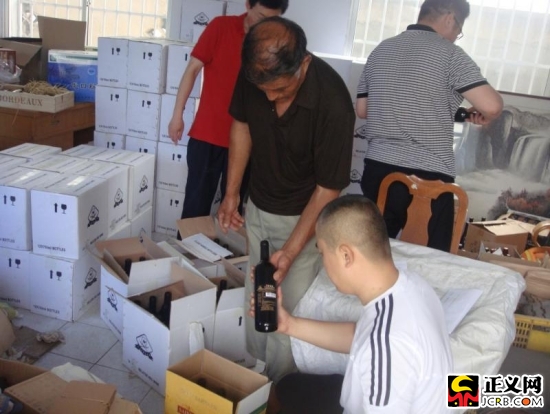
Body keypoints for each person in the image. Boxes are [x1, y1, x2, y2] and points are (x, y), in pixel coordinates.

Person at [217, 16, 355, 383]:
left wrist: (291, 252)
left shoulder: (333, 103)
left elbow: (327, 190)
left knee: (288, 303)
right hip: (259, 204)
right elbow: (242, 125)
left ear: (304, 63)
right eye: (263, 89)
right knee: (257, 292)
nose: (269, 97)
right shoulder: (256, 73)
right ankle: (256, 372)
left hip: (303, 219)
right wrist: (232, 193)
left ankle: (280, 388)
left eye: (280, 90)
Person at [251, 194, 453, 413]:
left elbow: (376, 343)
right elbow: (359, 335)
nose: (324, 263)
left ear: (346, 255)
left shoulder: (386, 346)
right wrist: (288, 324)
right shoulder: (410, 285)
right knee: (288, 387)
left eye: (323, 253)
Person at [356, 0, 503, 252]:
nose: (456, 36)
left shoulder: (381, 49)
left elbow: (363, 110)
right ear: (449, 18)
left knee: (372, 253)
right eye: (459, 29)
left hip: (378, 173)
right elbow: (492, 106)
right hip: (427, 180)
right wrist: (484, 114)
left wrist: (457, 114)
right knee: (429, 259)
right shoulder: (450, 54)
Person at [168, 0, 288, 224]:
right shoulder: (220, 27)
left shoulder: (276, 43)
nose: (266, 25)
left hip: (247, 142)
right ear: (248, 5)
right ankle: (186, 248)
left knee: (233, 212)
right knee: (195, 208)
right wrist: (177, 115)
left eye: (274, 20)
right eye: (262, 17)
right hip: (207, 135)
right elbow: (192, 69)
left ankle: (224, 249)